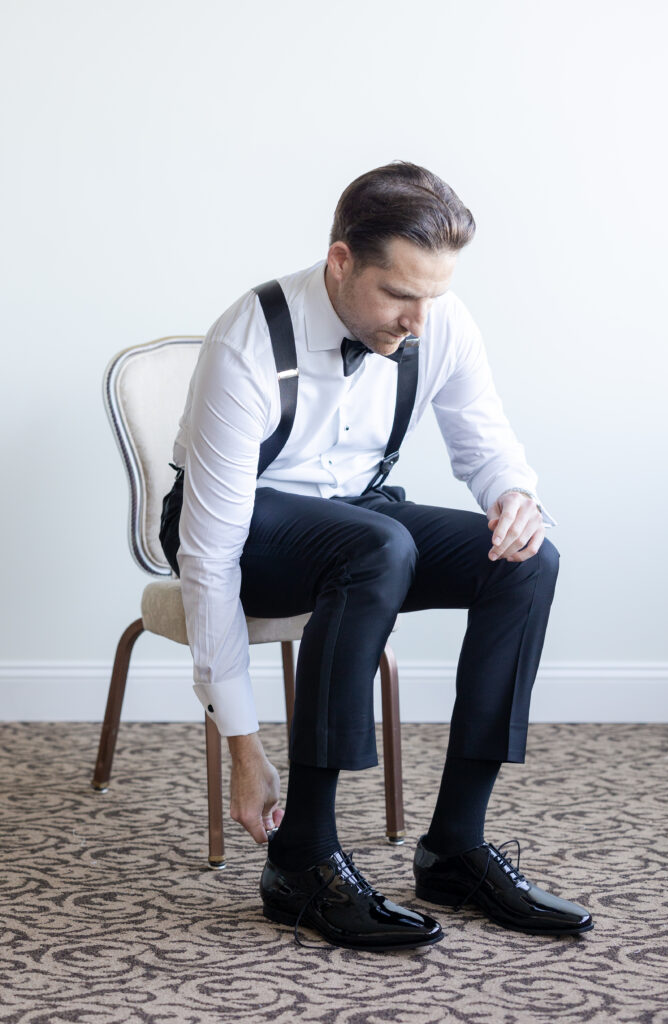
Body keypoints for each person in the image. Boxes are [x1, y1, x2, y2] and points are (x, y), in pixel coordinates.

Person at [160, 161, 593, 951]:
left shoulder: (440, 319)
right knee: (377, 545)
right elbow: (209, 552)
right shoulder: (248, 338)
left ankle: (454, 846)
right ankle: (300, 861)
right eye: (400, 296)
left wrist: (514, 495)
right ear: (340, 261)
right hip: (241, 528)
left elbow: (485, 440)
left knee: (525, 560)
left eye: (432, 296)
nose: (419, 321)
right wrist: (242, 745)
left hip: (360, 520)